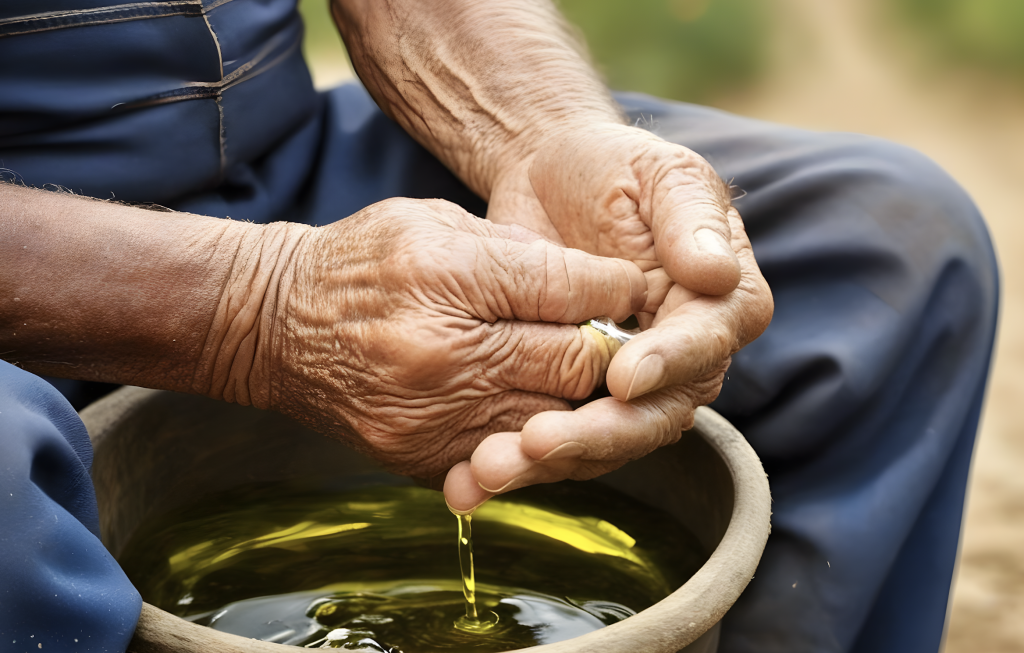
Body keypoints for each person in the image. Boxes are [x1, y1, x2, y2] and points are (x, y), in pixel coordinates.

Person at [0, 1, 996, 652]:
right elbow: (252, 302)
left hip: (279, 165)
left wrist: (542, 131)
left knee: (889, 247)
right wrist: (252, 309)